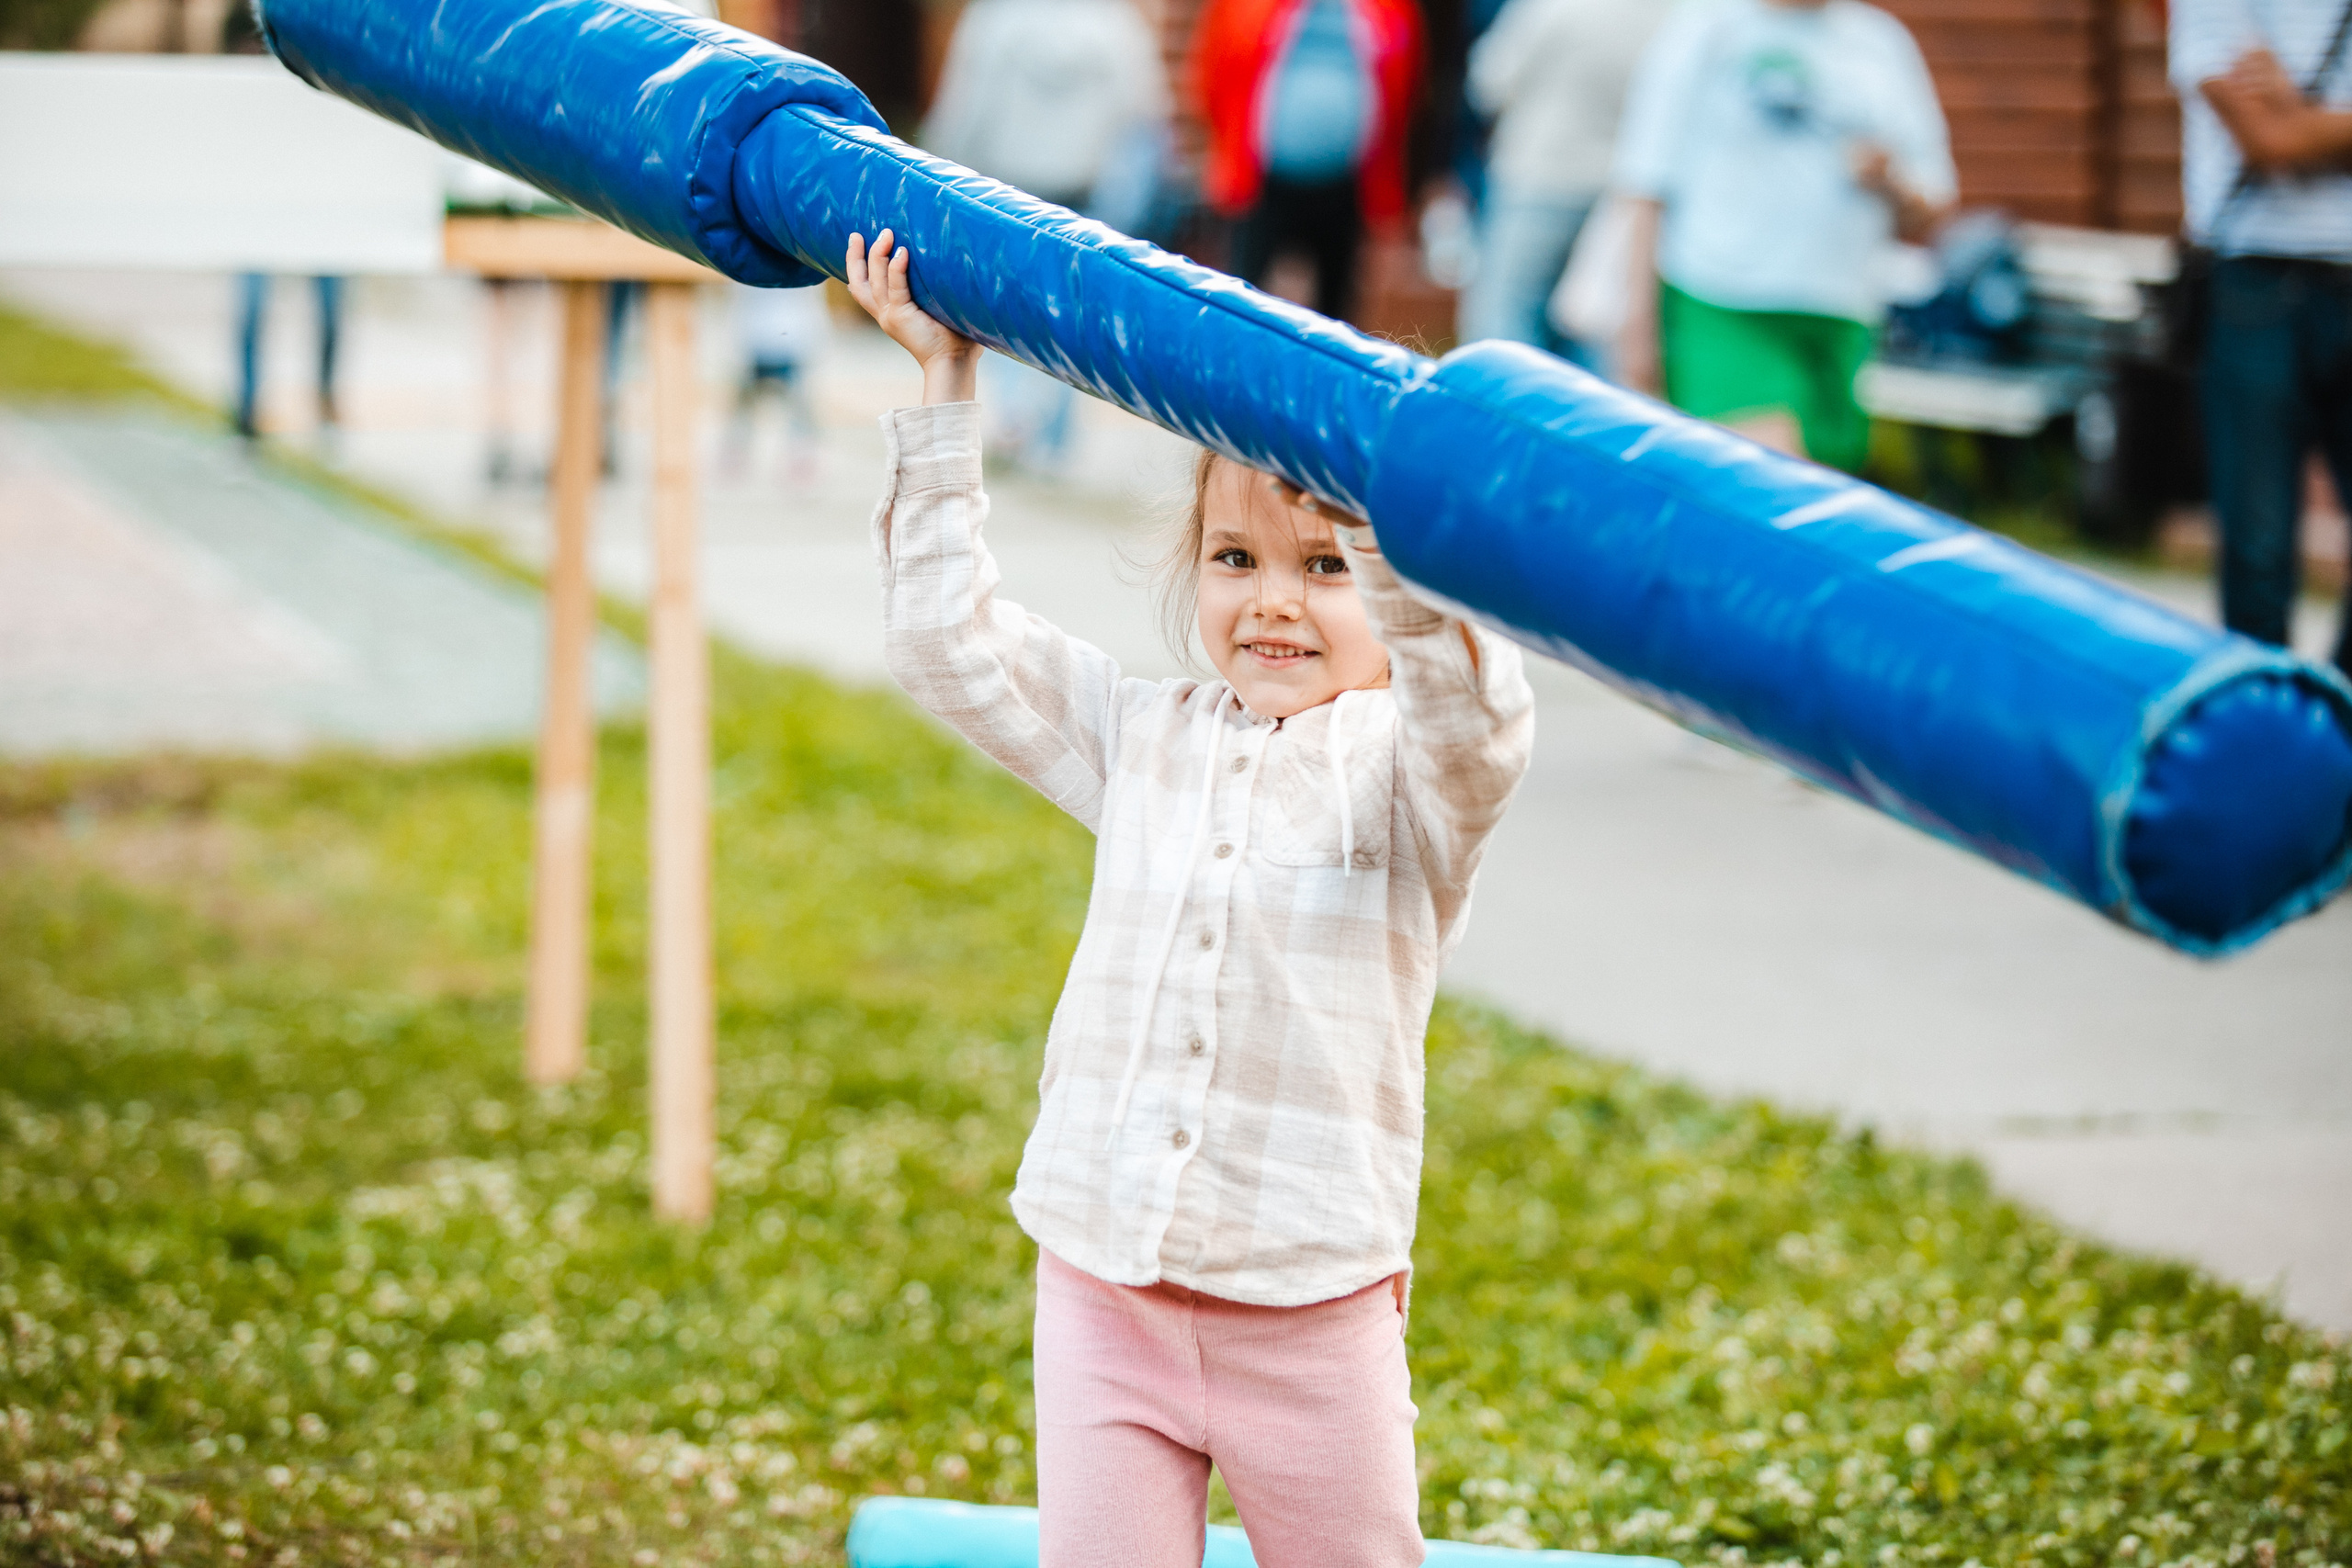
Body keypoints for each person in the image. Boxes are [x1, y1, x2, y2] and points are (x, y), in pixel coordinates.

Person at [844, 226, 1532, 1567]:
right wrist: (945, 387)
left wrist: (1391, 527)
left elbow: (1476, 720)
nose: (1273, 603)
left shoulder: (1410, 775)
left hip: (1305, 1302)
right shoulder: (1142, 734)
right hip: (1105, 1286)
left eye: (1325, 567)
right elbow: (948, 645)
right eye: (1235, 559)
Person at [1611, 0, 1955, 470]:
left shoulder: (1881, 43)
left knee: (1821, 491)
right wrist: (1635, 335)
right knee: (1763, 481)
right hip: (1723, 303)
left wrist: (1889, 182)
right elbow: (1645, 184)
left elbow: (1934, 208)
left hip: (1841, 311)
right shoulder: (1708, 28)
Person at [2172, 0, 2352, 672]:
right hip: (2252, 287)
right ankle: (2265, 720)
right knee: (2257, 546)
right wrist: (2303, 127)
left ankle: (2335, 718)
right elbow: (2269, 141)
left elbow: (2289, 130)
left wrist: (2299, 114)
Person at [923, 0, 1170, 471]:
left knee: (999, 305)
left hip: (1004, 190)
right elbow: (1142, 110)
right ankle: (1055, 435)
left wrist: (943, 170)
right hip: (1085, 190)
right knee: (1072, 313)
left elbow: (966, 107)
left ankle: (1014, 413)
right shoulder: (1115, 23)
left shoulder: (994, 21)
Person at [1458, 0, 1670, 355]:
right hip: (1616, 191)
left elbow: (1490, 82)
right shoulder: (1672, 17)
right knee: (1589, 325)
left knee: (1507, 319)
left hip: (1536, 178)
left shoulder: (1552, 7)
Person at [1194, 0, 1426, 320]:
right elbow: (1213, 69)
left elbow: (1404, 89)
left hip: (1345, 184)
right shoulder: (1244, 6)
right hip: (1264, 182)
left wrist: (1387, 198)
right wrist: (1224, 155)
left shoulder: (1388, 8)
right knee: (1239, 302)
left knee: (1336, 310)